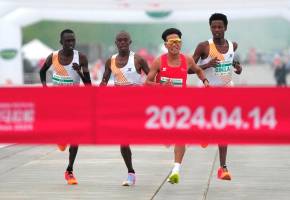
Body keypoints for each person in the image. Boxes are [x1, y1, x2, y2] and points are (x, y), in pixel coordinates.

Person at [145, 28, 209, 184]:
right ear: (166, 45)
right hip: (164, 108)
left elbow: (198, 70)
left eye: (178, 42)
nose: (175, 45)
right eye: (172, 42)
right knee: (168, 138)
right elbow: (146, 82)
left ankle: (176, 170)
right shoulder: (159, 61)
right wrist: (161, 86)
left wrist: (205, 81)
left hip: (182, 106)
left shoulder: (187, 60)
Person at [191, 13, 243, 181]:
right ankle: (204, 131)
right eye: (214, 27)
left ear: (226, 28)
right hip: (207, 91)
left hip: (227, 91)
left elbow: (231, 62)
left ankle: (223, 167)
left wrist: (237, 67)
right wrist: (207, 65)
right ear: (210, 28)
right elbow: (188, 69)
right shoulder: (204, 46)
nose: (217, 30)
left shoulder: (232, 45)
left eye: (220, 27)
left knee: (224, 128)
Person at [39, 29, 91, 185]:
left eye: (73, 40)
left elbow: (88, 86)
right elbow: (42, 71)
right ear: (61, 42)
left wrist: (79, 72)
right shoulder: (53, 56)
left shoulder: (80, 58)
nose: (71, 43)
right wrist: (44, 87)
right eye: (67, 41)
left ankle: (69, 171)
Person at [100, 31, 150, 186]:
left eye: (125, 40)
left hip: (138, 106)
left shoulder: (138, 59)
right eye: (119, 41)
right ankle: (131, 173)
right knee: (123, 141)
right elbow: (104, 81)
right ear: (116, 43)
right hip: (120, 107)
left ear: (130, 42)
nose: (122, 43)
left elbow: (152, 78)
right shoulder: (111, 61)